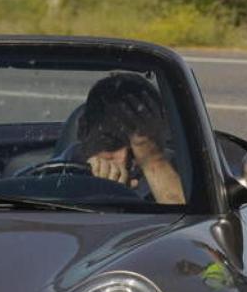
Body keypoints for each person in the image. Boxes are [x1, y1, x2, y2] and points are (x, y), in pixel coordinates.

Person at [78, 73, 186, 205]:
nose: (124, 160)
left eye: (146, 149)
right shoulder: (55, 176)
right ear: (83, 131)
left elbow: (188, 219)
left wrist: (154, 161)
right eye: (111, 144)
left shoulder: (186, 172)